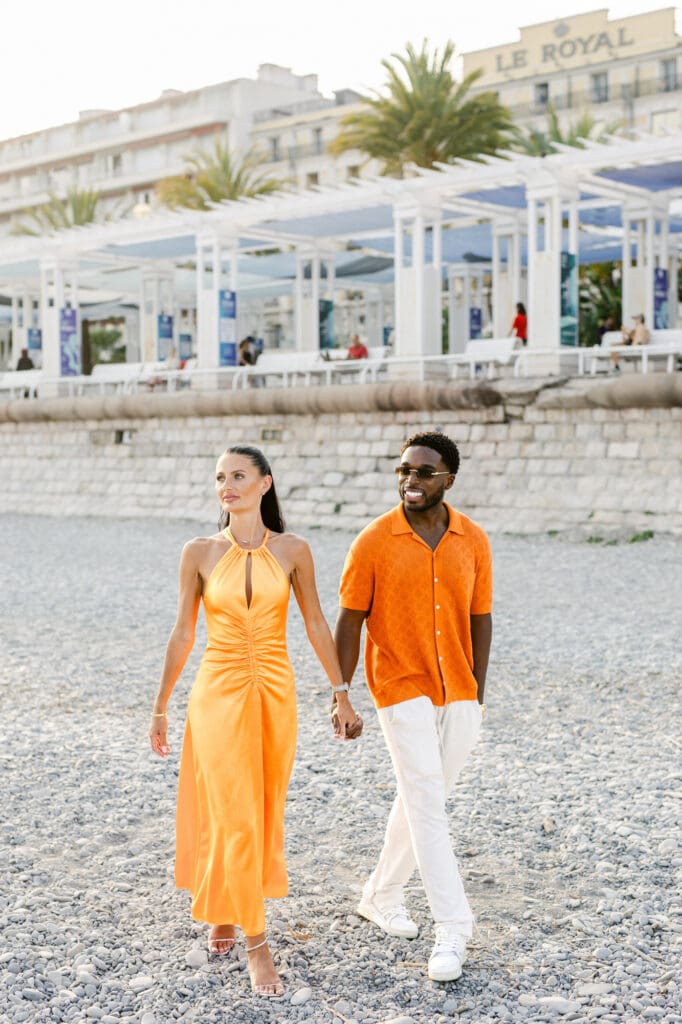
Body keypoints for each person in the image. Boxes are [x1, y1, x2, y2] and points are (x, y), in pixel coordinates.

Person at [149, 445, 361, 998]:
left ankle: (224, 904)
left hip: (274, 692)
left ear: (265, 483)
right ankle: (257, 943)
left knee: (260, 808)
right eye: (220, 477)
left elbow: (316, 621)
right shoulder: (197, 551)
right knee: (230, 808)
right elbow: (182, 633)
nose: (227, 485)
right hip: (216, 694)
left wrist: (341, 693)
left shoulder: (293, 550)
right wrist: (160, 705)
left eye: (239, 475)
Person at [334, 431, 492, 984]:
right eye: (404, 470)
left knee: (424, 795)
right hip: (398, 687)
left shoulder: (472, 538)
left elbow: (480, 617)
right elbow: (350, 620)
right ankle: (455, 926)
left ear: (449, 478)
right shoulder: (374, 540)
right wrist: (341, 693)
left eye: (424, 472)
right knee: (428, 801)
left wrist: (479, 690)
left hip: (460, 688)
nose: (411, 481)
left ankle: (381, 893)